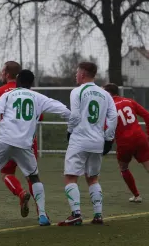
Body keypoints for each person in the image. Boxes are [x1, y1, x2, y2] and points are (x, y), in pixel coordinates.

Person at [0, 69, 71, 227]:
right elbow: (63, 110)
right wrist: (72, 126)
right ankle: (42, 215)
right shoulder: (39, 98)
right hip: (24, 145)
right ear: (31, 83)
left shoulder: (7, 95)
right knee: (34, 178)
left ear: (18, 80)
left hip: (3, 141)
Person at [59, 62, 117, 226]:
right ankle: (98, 215)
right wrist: (108, 139)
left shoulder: (77, 91)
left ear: (83, 74)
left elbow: (75, 115)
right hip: (97, 141)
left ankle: (76, 214)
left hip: (80, 140)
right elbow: (113, 118)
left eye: (77, 72)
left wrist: (70, 131)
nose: (75, 75)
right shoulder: (105, 94)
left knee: (71, 177)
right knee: (93, 178)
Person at [0, 61, 44, 218]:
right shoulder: (31, 93)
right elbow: (41, 116)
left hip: (8, 139)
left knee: (6, 173)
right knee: (32, 176)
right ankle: (41, 212)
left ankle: (20, 193)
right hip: (29, 140)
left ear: (6, 73)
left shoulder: (0, 92)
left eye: (2, 72)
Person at [103, 83, 149, 206]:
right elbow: (146, 115)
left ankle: (137, 195)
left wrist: (107, 142)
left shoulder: (108, 108)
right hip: (140, 137)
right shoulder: (129, 101)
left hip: (124, 142)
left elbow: (107, 127)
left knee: (124, 168)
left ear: (108, 94)